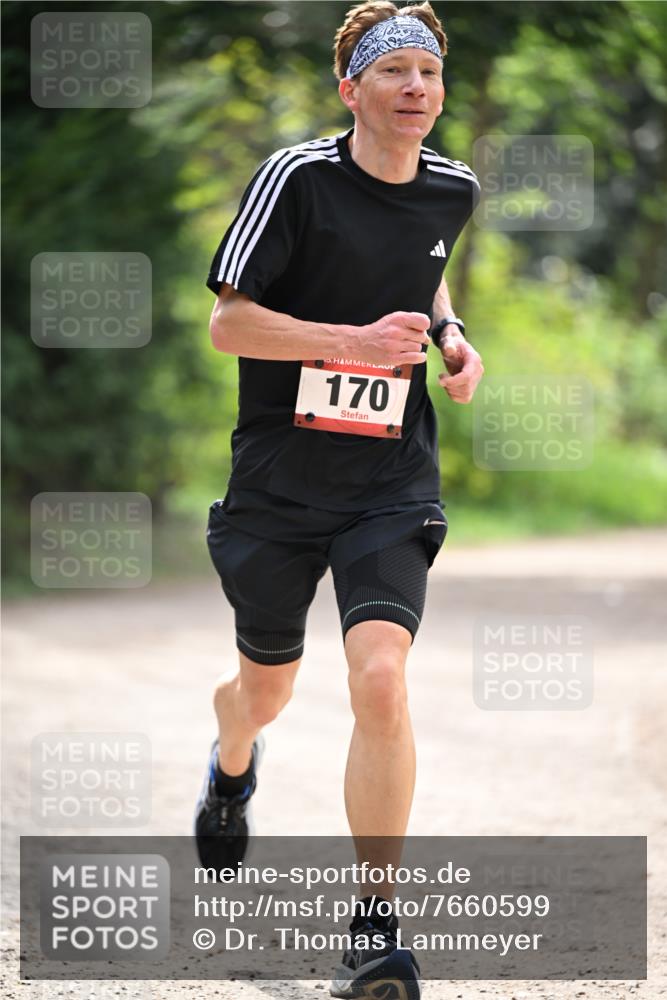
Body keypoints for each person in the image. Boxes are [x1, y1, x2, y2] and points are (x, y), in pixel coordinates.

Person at [195, 2, 484, 996]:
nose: (416, 88)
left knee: (380, 681)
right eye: (394, 70)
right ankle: (232, 763)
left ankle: (372, 921)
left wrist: (452, 339)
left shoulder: (453, 191)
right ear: (349, 88)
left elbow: (429, 282)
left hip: (387, 480)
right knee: (264, 691)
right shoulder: (297, 180)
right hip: (278, 481)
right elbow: (229, 325)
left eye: (430, 73)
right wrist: (345, 343)